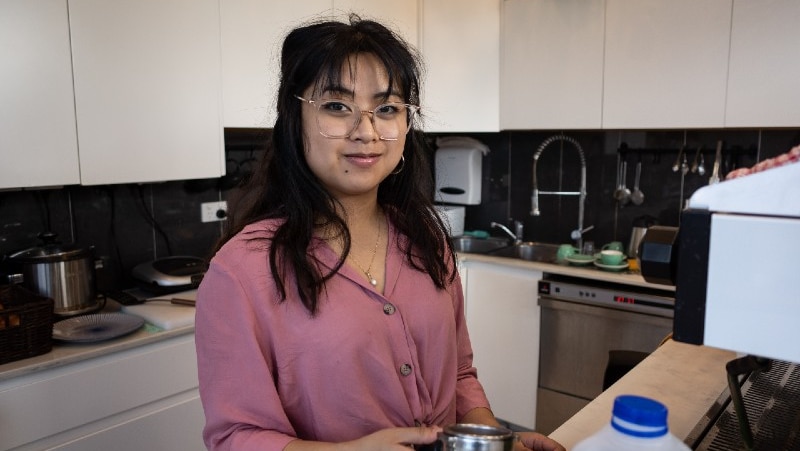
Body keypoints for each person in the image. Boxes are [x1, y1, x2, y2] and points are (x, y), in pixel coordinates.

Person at [195, 14, 566, 451]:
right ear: (293, 118)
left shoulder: (425, 239)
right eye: (337, 106)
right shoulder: (242, 272)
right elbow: (236, 436)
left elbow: (460, 376)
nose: (366, 131)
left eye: (387, 109)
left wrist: (492, 441)